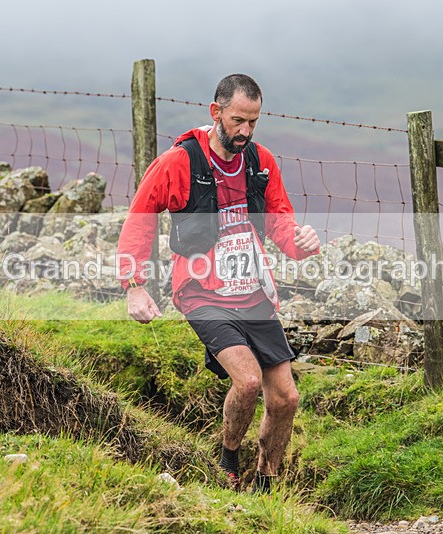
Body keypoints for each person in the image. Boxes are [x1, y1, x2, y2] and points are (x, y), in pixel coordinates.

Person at [116, 74, 320, 493]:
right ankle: (228, 459)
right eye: (237, 120)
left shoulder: (261, 161)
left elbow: (280, 223)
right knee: (246, 382)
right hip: (202, 294)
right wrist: (134, 284)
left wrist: (301, 243)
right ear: (216, 113)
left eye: (253, 122)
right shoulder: (179, 162)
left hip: (254, 293)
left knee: (286, 399)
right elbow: (140, 218)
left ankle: (266, 483)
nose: (245, 131)